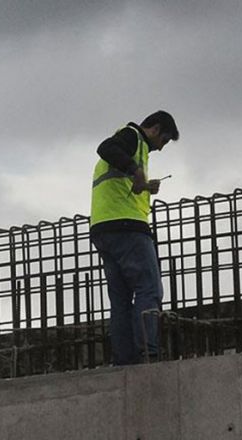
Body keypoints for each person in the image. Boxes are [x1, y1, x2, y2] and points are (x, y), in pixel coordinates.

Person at [89, 110, 179, 365]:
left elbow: (120, 182)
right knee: (149, 289)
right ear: (156, 129)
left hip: (103, 228)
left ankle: (124, 360)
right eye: (164, 140)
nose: (161, 149)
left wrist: (145, 185)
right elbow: (105, 147)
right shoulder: (131, 137)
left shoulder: (132, 148)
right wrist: (135, 169)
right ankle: (147, 353)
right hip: (127, 228)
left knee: (120, 300)